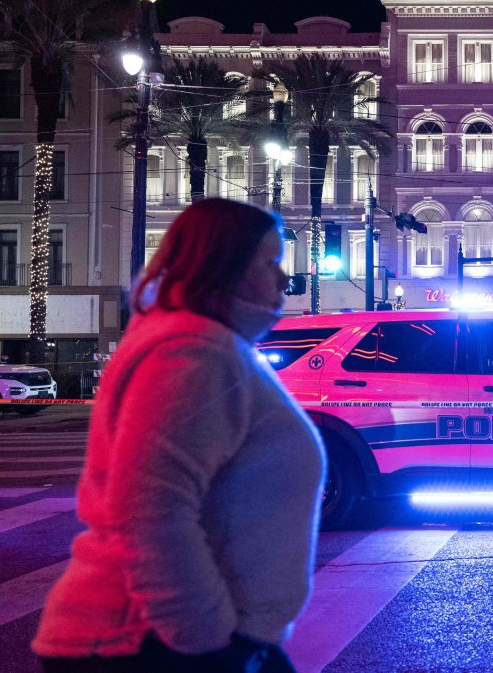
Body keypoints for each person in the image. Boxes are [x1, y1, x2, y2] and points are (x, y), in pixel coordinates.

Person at [33, 199, 325, 673]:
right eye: (270, 262)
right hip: (148, 643)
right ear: (224, 266)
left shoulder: (207, 344)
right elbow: (149, 510)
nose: (283, 278)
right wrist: (208, 642)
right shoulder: (193, 351)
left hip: (188, 639)